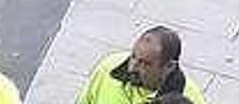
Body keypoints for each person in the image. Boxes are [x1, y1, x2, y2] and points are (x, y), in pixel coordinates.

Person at [76, 27, 207, 104]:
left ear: (169, 66)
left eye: (145, 64)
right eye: (133, 56)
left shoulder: (190, 99)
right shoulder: (108, 67)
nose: (132, 67)